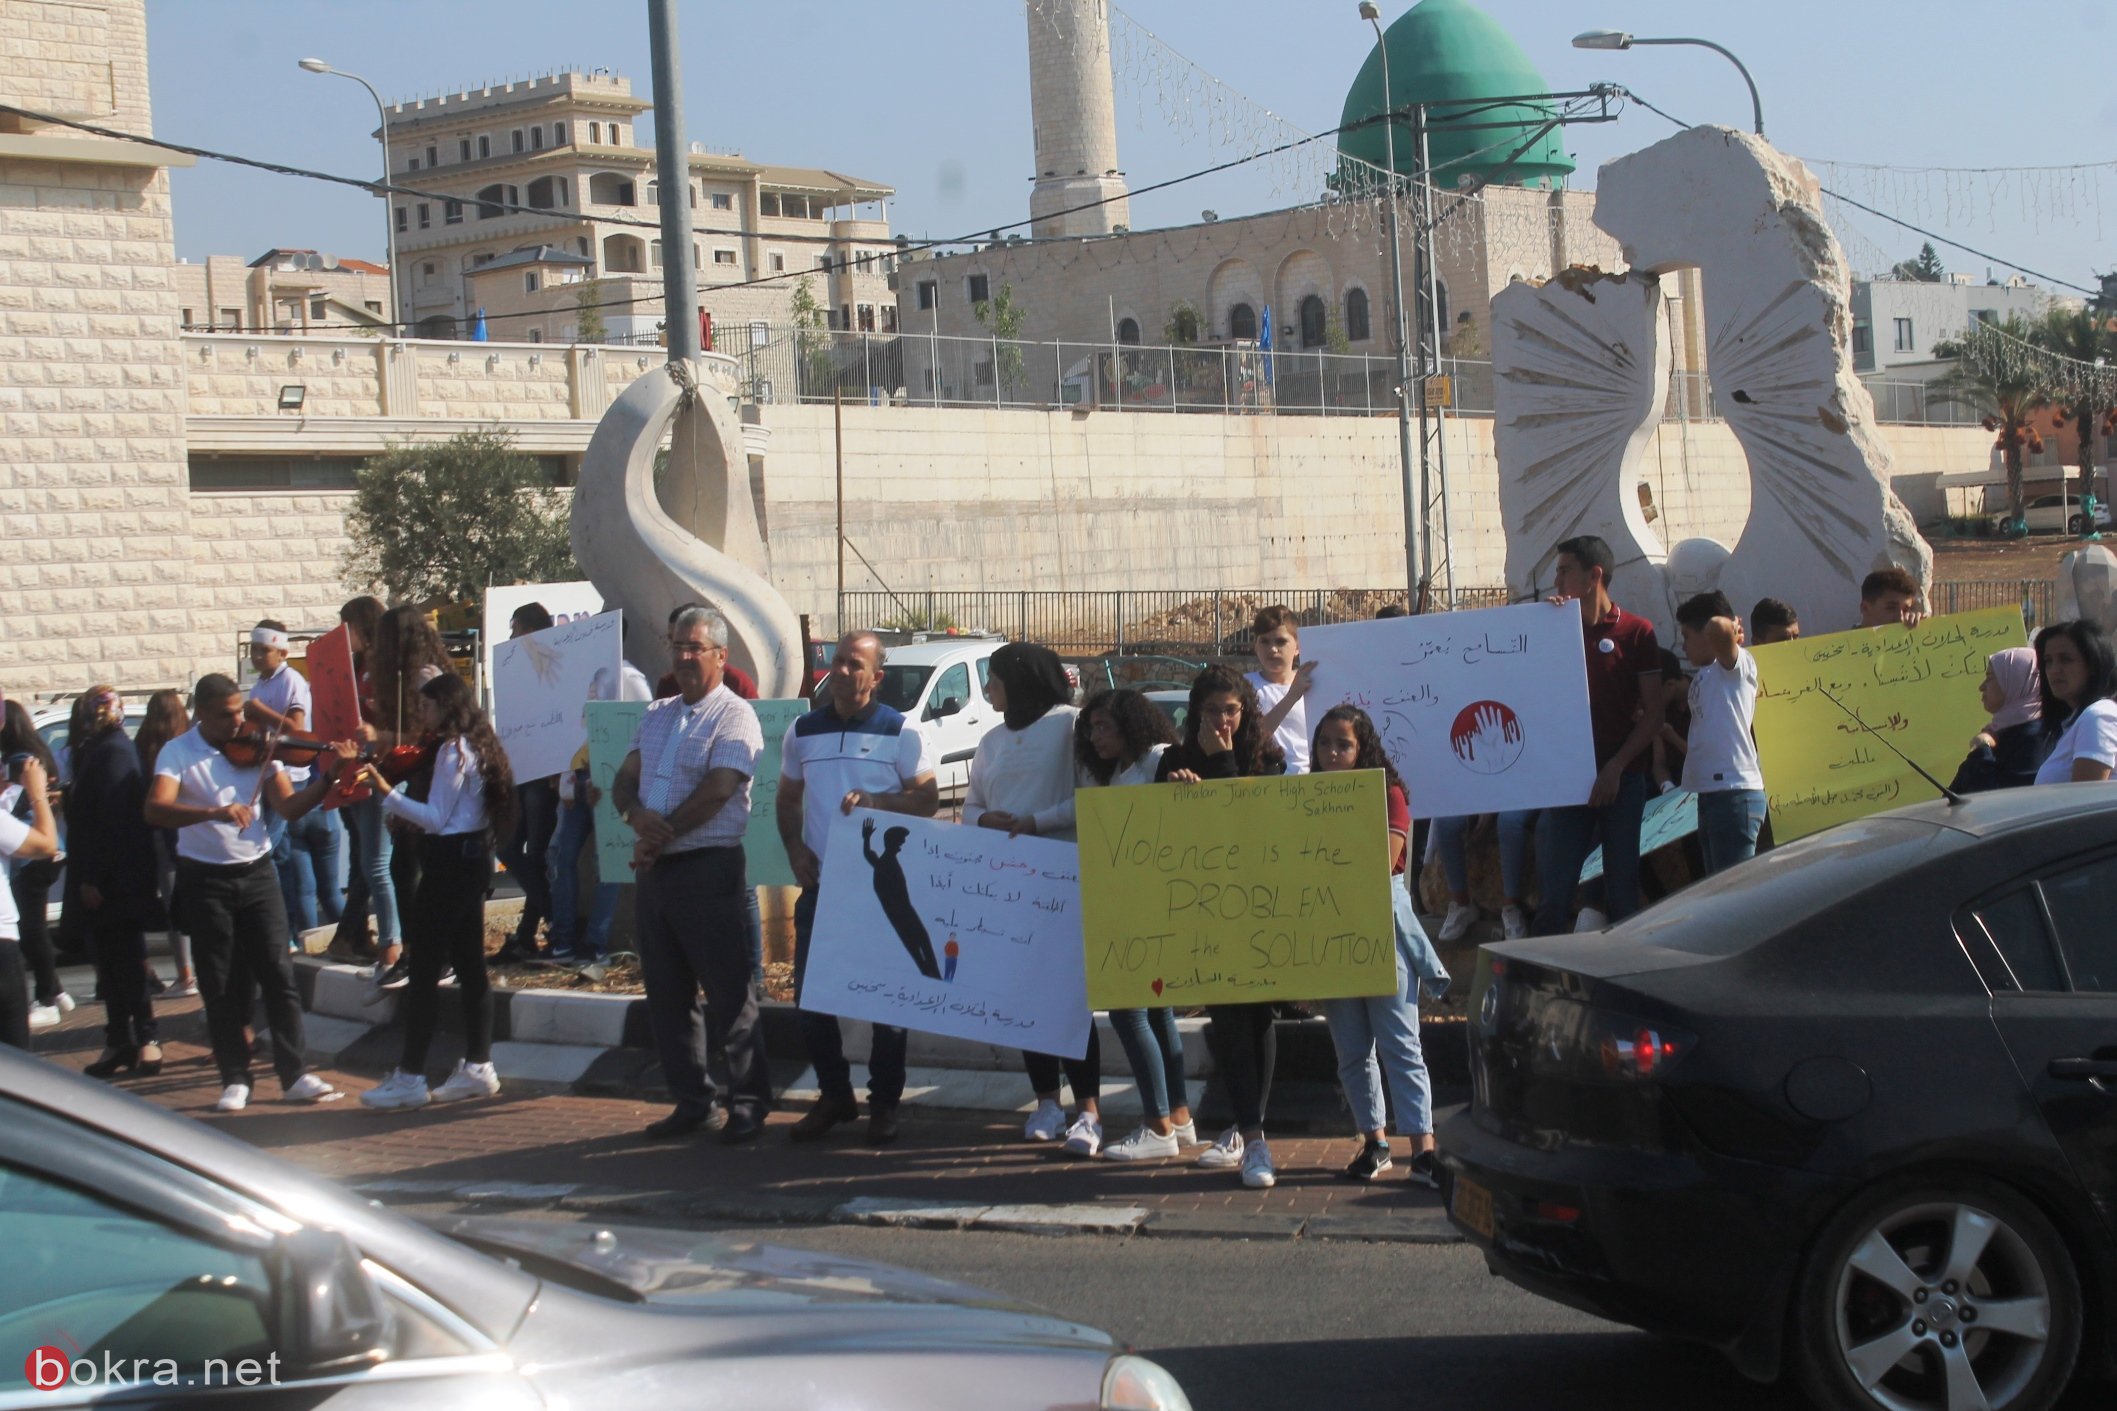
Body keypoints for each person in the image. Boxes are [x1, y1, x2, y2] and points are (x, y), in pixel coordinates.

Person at [145, 673, 343, 1111]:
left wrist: (328, 780)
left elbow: (289, 806)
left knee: (278, 972)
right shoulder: (178, 752)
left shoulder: (261, 745)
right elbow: (155, 808)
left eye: (241, 711)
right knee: (219, 983)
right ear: (201, 714)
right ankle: (235, 1077)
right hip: (205, 879)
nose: (239, 721)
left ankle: (295, 1074)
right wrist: (213, 811)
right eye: (227, 715)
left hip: (257, 873)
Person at [611, 606, 772, 1142]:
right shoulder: (657, 713)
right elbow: (623, 780)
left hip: (707, 869)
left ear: (721, 656)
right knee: (667, 993)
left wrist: (661, 836)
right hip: (656, 875)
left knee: (729, 993)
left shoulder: (734, 716)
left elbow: (720, 789)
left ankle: (747, 1102)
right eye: (676, 645)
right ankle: (692, 1100)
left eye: (693, 647)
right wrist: (635, 816)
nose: (681, 656)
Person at [778, 630, 940, 1146]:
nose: (843, 672)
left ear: (877, 677)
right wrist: (794, 850)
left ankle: (884, 1103)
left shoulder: (902, 733)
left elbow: (928, 802)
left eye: (855, 664)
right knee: (809, 999)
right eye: (838, 662)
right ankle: (834, 1095)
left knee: (888, 1004)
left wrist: (878, 803)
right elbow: (786, 799)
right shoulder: (801, 730)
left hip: (879, 894)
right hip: (822, 888)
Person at [961, 644, 1102, 1155]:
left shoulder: (1071, 726)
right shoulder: (992, 740)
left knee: (1066, 997)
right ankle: (1046, 1100)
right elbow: (972, 803)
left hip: (1061, 880)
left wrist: (1034, 822)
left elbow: (1089, 796)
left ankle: (1088, 1110)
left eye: (994, 679)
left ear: (1020, 681)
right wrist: (985, 820)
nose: (988, 690)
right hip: (1006, 881)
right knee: (1021, 994)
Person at [355, 673, 516, 1110]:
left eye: (427, 707)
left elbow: (436, 817)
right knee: (468, 963)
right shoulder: (480, 746)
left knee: (425, 968)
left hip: (448, 865)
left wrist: (387, 793)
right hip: (472, 861)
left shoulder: (453, 751)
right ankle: (479, 1065)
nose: (422, 716)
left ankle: (410, 1075)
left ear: (446, 707)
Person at [1156, 665, 1287, 1189]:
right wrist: (1177, 789)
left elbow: (1246, 824)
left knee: (1258, 1019)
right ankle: (1252, 1135)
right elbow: (1160, 830)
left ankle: (1247, 1126)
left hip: (1259, 904)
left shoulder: (1268, 759)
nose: (1221, 721)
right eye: (1211, 712)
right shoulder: (1174, 760)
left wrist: (1222, 765)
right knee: (1228, 1017)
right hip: (1204, 908)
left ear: (1245, 712)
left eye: (1230, 711)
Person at [1312, 704, 1443, 1188]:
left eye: (1343, 744)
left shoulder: (1388, 795)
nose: (1332, 753)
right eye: (1325, 743)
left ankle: (1423, 1150)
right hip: (1329, 931)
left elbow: (1383, 860)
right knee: (1351, 1048)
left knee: (1399, 1044)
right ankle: (1374, 1142)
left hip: (1379, 929)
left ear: (1363, 747)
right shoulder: (1304, 797)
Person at [1073, 690, 1195, 1160]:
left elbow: (1186, 804)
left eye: (1104, 726)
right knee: (1158, 1011)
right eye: (1091, 728)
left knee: (1128, 1011)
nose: (1095, 736)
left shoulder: (1159, 759)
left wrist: (1183, 782)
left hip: (1151, 905)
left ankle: (1156, 1123)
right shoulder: (1117, 772)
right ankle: (1178, 1117)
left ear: (1131, 724)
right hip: (1129, 901)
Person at [1533, 536, 1664, 934]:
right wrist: (1546, 628)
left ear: (1594, 576)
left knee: (1622, 891)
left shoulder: (1637, 632)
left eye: (1563, 571)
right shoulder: (1555, 628)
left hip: (1622, 783)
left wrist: (1616, 767)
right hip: (1569, 784)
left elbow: (1654, 714)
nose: (1556, 582)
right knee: (1554, 893)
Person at [63, 687, 163, 1078]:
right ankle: (119, 1039)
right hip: (108, 878)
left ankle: (146, 1037)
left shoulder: (114, 752)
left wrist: (93, 878)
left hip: (115, 881)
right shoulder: (98, 749)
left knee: (126, 961)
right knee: (110, 964)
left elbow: (113, 822)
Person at [364, 604, 453, 993]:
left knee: (410, 871)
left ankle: (430, 955)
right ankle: (421, 953)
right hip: (419, 784)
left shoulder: (425, 678)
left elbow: (431, 736)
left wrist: (381, 739)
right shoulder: (409, 678)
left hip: (434, 786)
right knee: (405, 869)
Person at [549, 659, 653, 967]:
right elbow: (571, 728)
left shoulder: (631, 678)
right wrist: (567, 781)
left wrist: (616, 780)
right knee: (561, 858)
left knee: (607, 864)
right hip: (579, 777)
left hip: (611, 781)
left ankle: (595, 943)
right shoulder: (582, 673)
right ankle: (563, 942)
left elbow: (640, 725)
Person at [249, 620, 344, 948]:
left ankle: (301, 934)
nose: (258, 656)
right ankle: (299, 937)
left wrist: (260, 712)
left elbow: (298, 729)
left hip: (294, 781)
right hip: (270, 777)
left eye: (265, 650)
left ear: (283, 652)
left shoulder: (289, 681)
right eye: (254, 650)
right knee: (292, 871)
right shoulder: (259, 685)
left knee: (268, 855)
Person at [332, 596, 401, 984]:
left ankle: (391, 944)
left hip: (383, 772)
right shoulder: (359, 667)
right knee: (368, 862)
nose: (344, 635)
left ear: (361, 626)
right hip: (359, 770)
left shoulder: (388, 668)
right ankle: (388, 941)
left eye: (347, 627)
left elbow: (404, 725)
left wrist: (379, 733)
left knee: (376, 863)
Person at [1674, 592, 1766, 875]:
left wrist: (1729, 626)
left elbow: (1718, 628)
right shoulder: (1706, 674)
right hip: (1712, 794)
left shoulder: (1735, 665)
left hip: (1734, 794)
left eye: (1688, 636)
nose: (1683, 645)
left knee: (1734, 892)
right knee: (1716, 889)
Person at [495, 602, 560, 964]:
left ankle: (541, 928)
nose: (512, 637)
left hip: (543, 775)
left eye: (516, 628)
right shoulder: (517, 669)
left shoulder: (553, 665)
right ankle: (546, 922)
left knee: (535, 855)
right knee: (508, 849)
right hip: (521, 772)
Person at [1, 700, 70, 1030]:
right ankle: (54, 991)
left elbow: (16, 808)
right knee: (34, 927)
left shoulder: (19, 762)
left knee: (32, 928)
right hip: (39, 852)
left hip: (32, 854)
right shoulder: (35, 755)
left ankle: (49, 995)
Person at [134, 689, 198, 997]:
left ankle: (185, 973)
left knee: (175, 904)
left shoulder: (145, 748)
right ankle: (194, 973)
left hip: (161, 834)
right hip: (190, 833)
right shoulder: (189, 744)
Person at [1950, 648, 2051, 794]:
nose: (1981, 686)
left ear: (2015, 681)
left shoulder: (2036, 738)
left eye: (1990, 678)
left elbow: (2002, 801)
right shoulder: (1998, 732)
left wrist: (1982, 750)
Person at [2032, 621, 2117, 786]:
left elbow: (2085, 800)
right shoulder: (2072, 722)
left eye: (2066, 659)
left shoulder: (2098, 716)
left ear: (2093, 665)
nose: (2054, 669)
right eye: (2048, 661)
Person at [1245, 605, 1311, 774]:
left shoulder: (1313, 683)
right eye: (1264, 641)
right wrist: (1291, 697)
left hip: (1311, 782)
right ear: (1256, 645)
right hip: (1266, 783)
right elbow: (1251, 738)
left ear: (1298, 647)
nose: (1272, 649)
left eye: (1280, 641)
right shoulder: (1243, 686)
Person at [1859, 568, 1925, 629]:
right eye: (1891, 608)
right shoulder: (1850, 641)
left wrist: (1924, 629)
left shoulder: (1908, 638)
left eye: (1905, 610)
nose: (1900, 618)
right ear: (1865, 608)